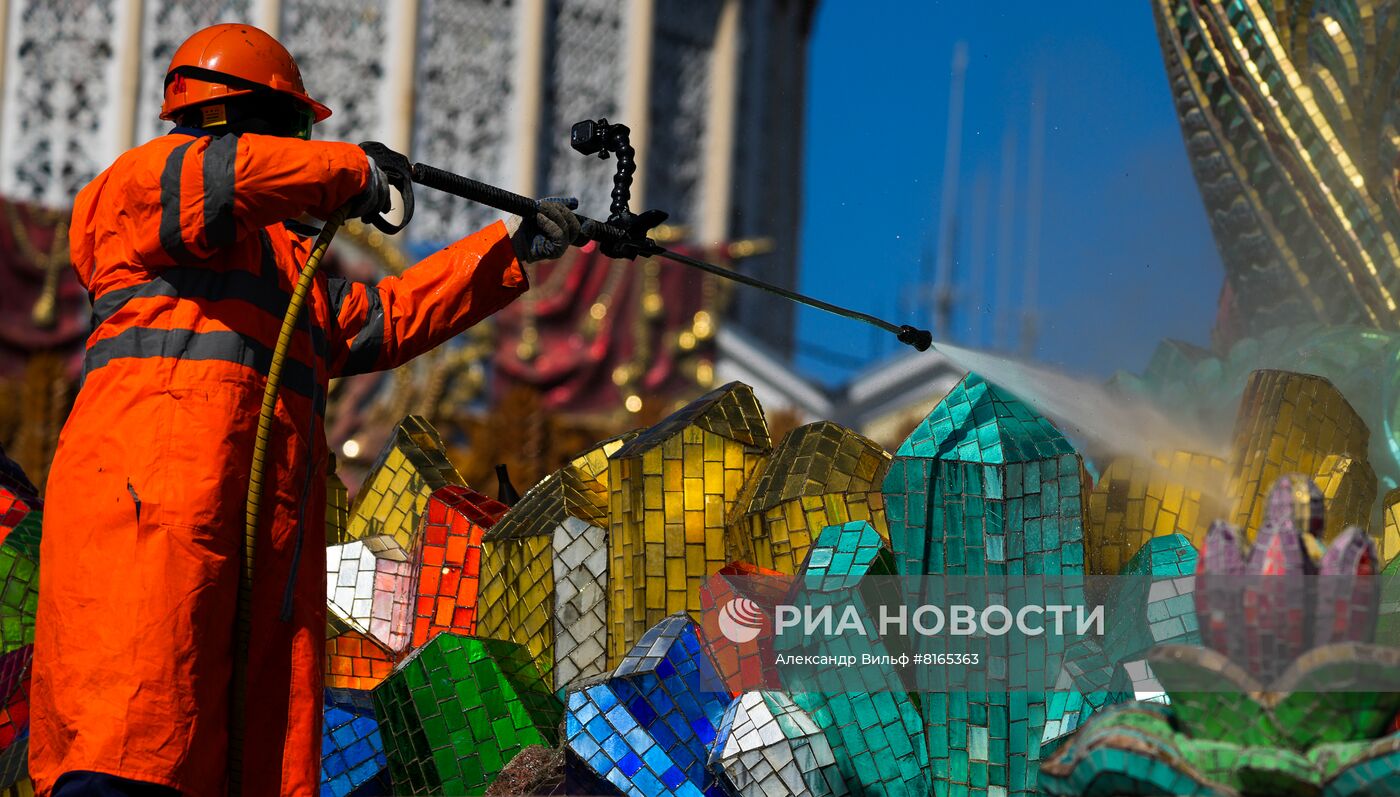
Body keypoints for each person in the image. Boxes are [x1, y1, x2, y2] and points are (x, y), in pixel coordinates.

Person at [29, 23, 579, 796]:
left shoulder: (281, 267)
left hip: (244, 547)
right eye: (292, 129)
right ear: (240, 118)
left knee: (213, 745)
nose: (298, 147)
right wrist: (346, 167)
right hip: (147, 528)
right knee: (133, 735)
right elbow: (225, 177)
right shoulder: (144, 186)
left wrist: (509, 253)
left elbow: (384, 316)